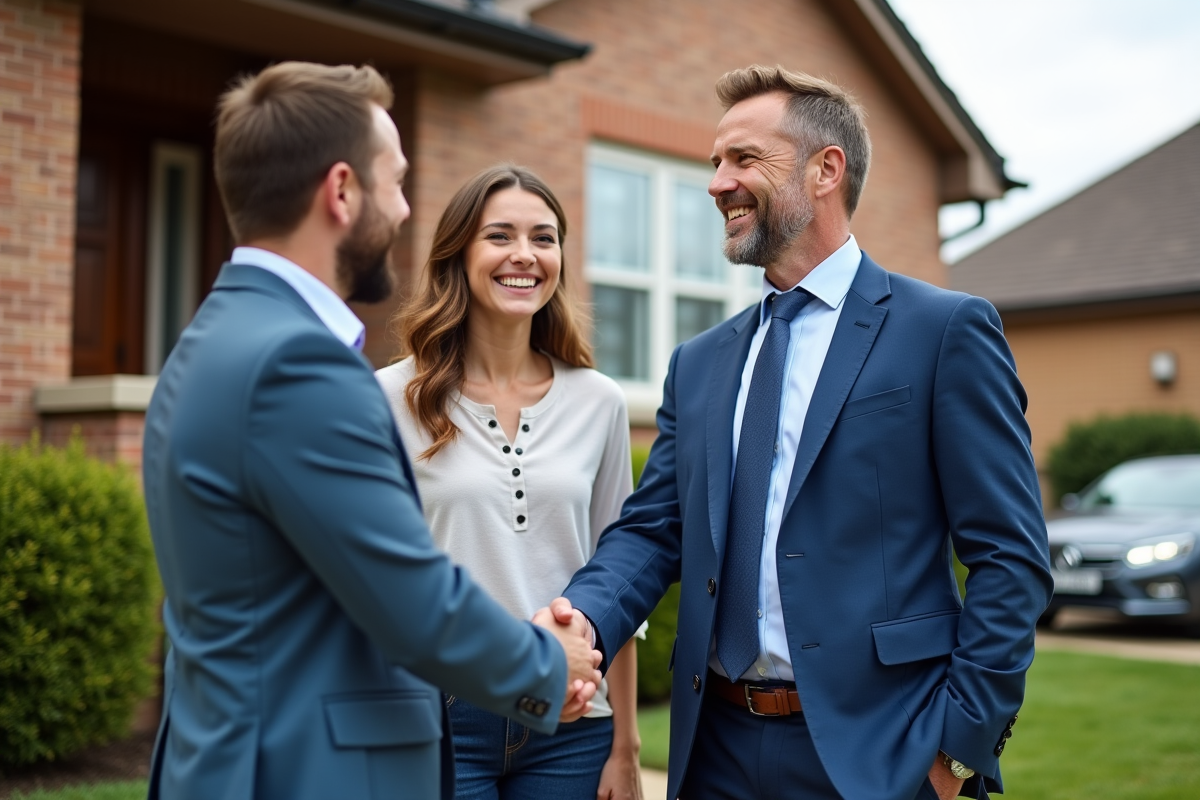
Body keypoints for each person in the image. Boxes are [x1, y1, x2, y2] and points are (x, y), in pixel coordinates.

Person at [542, 65, 1053, 800]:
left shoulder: (943, 332)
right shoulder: (699, 363)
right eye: (715, 162)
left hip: (879, 756)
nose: (718, 182)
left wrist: (957, 749)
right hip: (713, 749)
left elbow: (1010, 559)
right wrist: (579, 619)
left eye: (744, 159)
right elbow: (655, 532)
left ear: (826, 170)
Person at [142, 63, 601, 800]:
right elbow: (409, 597)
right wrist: (549, 664)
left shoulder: (216, 336)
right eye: (395, 182)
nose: (405, 207)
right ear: (343, 190)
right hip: (303, 772)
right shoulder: (296, 364)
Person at [376, 165, 644, 800]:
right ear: (459, 255)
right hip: (436, 719)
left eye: (544, 238)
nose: (525, 255)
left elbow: (619, 577)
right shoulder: (387, 397)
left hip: (573, 727)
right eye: (500, 236)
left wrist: (625, 747)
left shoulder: (599, 401)